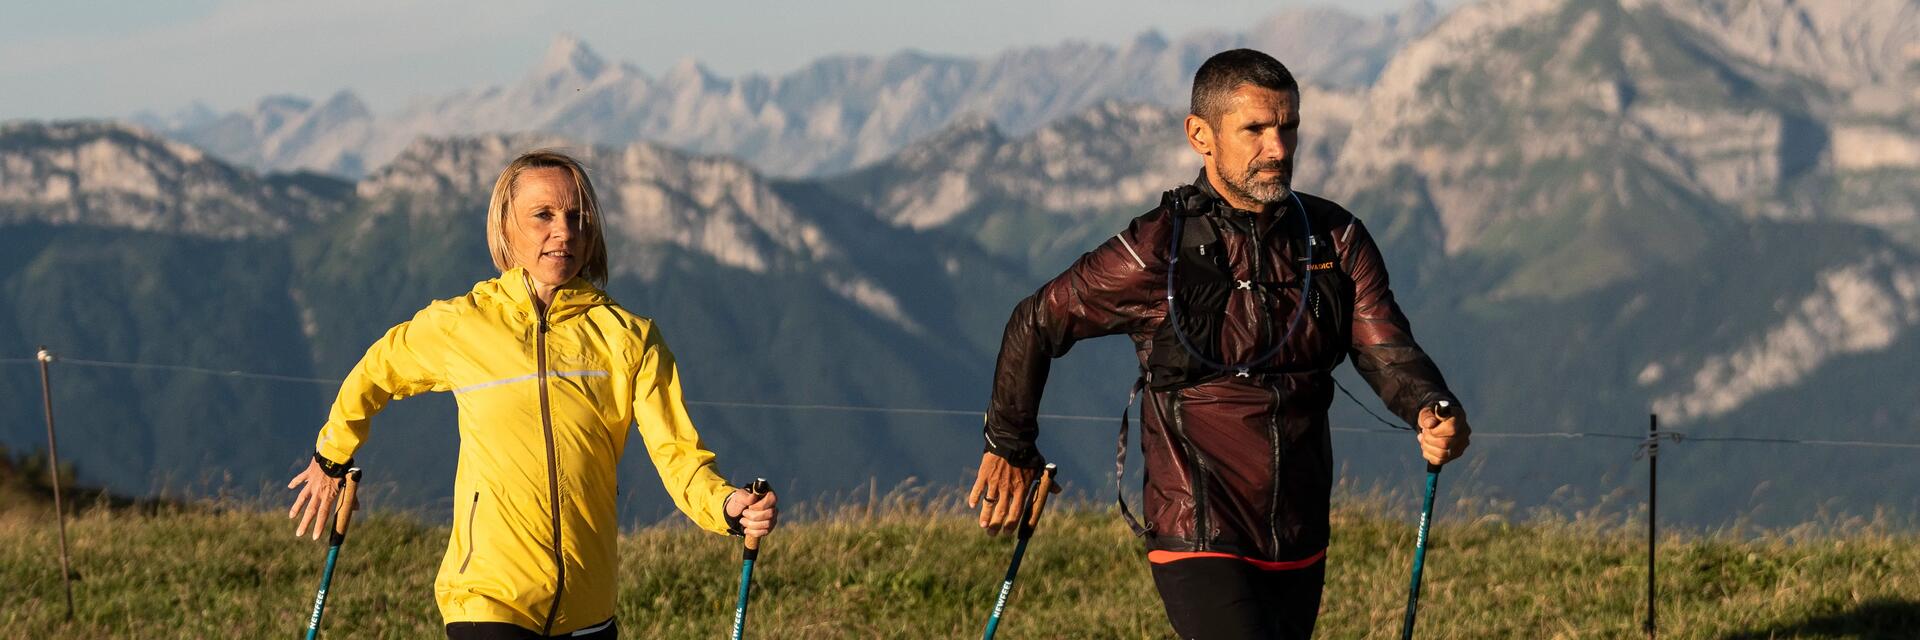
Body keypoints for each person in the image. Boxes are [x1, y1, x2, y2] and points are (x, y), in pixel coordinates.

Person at [967, 49, 1470, 639]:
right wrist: (1010, 445)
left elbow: (1385, 346)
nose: (1278, 149)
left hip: (1300, 535)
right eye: (1255, 129)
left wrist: (1431, 406)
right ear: (1200, 136)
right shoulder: (1157, 250)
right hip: (1196, 530)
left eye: (1288, 127)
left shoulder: (1337, 238)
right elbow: (1036, 320)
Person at [285, 150, 778, 639]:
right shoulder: (463, 324)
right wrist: (331, 457)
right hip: (487, 598)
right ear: (505, 228)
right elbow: (376, 371)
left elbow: (679, 458)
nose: (563, 231)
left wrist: (728, 507)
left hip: (588, 608)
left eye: (577, 216)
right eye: (542, 215)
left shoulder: (630, 339)